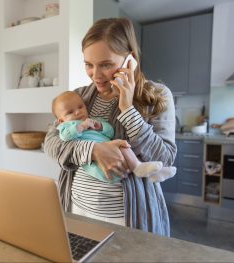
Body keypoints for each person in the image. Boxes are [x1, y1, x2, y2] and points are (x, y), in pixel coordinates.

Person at [44, 17, 177, 235]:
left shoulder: (158, 95)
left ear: (129, 60)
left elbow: (165, 157)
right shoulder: (79, 97)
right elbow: (51, 142)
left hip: (128, 220)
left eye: (106, 65)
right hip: (76, 211)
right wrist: (93, 150)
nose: (96, 75)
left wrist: (127, 109)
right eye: (88, 64)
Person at [52, 90, 176, 184]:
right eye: (70, 112)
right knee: (113, 157)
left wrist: (100, 126)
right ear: (61, 120)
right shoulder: (65, 126)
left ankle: (146, 170)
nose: (77, 112)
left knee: (122, 143)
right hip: (96, 165)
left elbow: (110, 132)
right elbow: (63, 137)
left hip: (114, 151)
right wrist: (89, 143)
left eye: (80, 107)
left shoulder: (92, 120)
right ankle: (139, 169)